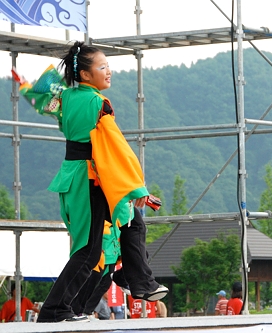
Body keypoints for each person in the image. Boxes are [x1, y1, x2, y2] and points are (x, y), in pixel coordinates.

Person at [15, 41, 167, 323]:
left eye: (108, 65)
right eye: (102, 66)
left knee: (131, 222)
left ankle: (139, 281)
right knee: (89, 250)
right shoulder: (98, 103)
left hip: (77, 176)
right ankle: (55, 310)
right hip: (90, 178)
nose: (108, 71)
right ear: (85, 75)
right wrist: (138, 188)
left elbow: (44, 102)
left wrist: (25, 87)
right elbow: (116, 146)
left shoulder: (69, 96)